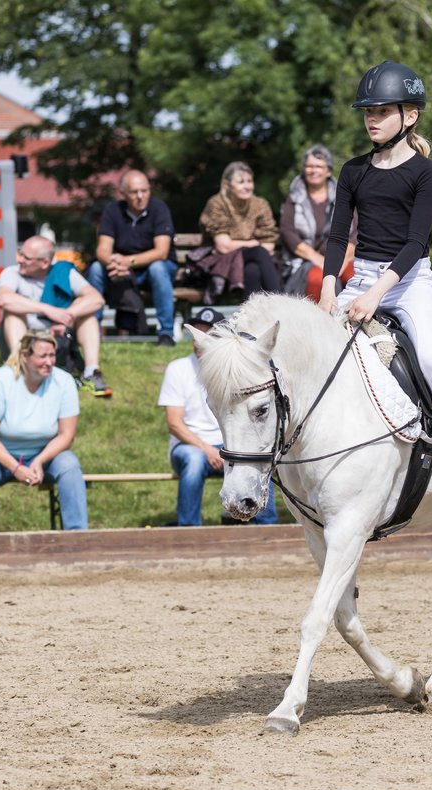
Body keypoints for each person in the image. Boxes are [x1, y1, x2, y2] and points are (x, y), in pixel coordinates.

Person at [318, 60, 432, 502]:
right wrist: (329, 286)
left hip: (408, 281)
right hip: (362, 276)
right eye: (368, 111)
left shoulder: (424, 173)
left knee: (429, 358)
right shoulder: (353, 170)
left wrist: (375, 292)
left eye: (382, 111)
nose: (371, 118)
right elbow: (337, 235)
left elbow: (414, 243)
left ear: (410, 116)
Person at [159, 306, 278, 526]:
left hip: (228, 443)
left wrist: (224, 450)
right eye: (199, 332)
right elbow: (174, 424)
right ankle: (187, 528)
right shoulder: (178, 368)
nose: (199, 341)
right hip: (190, 446)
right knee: (194, 461)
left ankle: (266, 525)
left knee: (253, 455)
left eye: (210, 333)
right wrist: (207, 449)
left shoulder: (235, 369)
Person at [0, 330, 88, 533]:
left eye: (52, 355)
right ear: (25, 356)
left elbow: (67, 435)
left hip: (45, 455)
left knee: (69, 464)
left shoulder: (64, 382)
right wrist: (16, 467)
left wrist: (39, 460)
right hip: (0, 456)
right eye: (42, 356)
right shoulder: (0, 381)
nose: (49, 361)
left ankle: (78, 535)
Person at [0, 235, 112, 396]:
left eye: (26, 257)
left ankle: (91, 372)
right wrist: (47, 310)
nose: (20, 260)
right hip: (26, 341)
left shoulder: (63, 272)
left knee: (88, 316)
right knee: (12, 314)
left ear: (45, 262)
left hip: (59, 340)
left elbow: (96, 299)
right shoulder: (11, 273)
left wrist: (67, 317)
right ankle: (21, 368)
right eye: (20, 254)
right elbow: (4, 299)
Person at [86, 170, 178, 346]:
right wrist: (114, 262)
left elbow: (162, 252)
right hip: (121, 269)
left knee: (158, 268)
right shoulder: (112, 211)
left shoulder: (159, 208)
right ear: (123, 194)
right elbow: (102, 249)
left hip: (155, 270)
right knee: (97, 268)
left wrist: (128, 262)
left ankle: (166, 333)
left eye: (145, 191)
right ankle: (92, 331)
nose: (140, 196)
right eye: (134, 192)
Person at [279, 145, 355, 301]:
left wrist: (341, 260)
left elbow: (357, 231)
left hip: (343, 258)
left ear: (328, 171)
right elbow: (288, 233)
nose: (313, 170)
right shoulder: (293, 200)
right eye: (309, 166)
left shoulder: (344, 197)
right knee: (318, 279)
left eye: (319, 166)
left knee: (355, 276)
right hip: (307, 262)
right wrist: (319, 260)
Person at [200, 162, 283, 300]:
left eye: (249, 181)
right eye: (241, 182)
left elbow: (269, 244)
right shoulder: (217, 203)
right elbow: (224, 246)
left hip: (255, 261)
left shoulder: (260, 204)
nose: (247, 186)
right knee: (258, 252)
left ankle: (249, 317)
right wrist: (255, 243)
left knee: (253, 270)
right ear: (227, 185)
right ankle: (281, 301)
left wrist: (248, 245)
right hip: (223, 263)